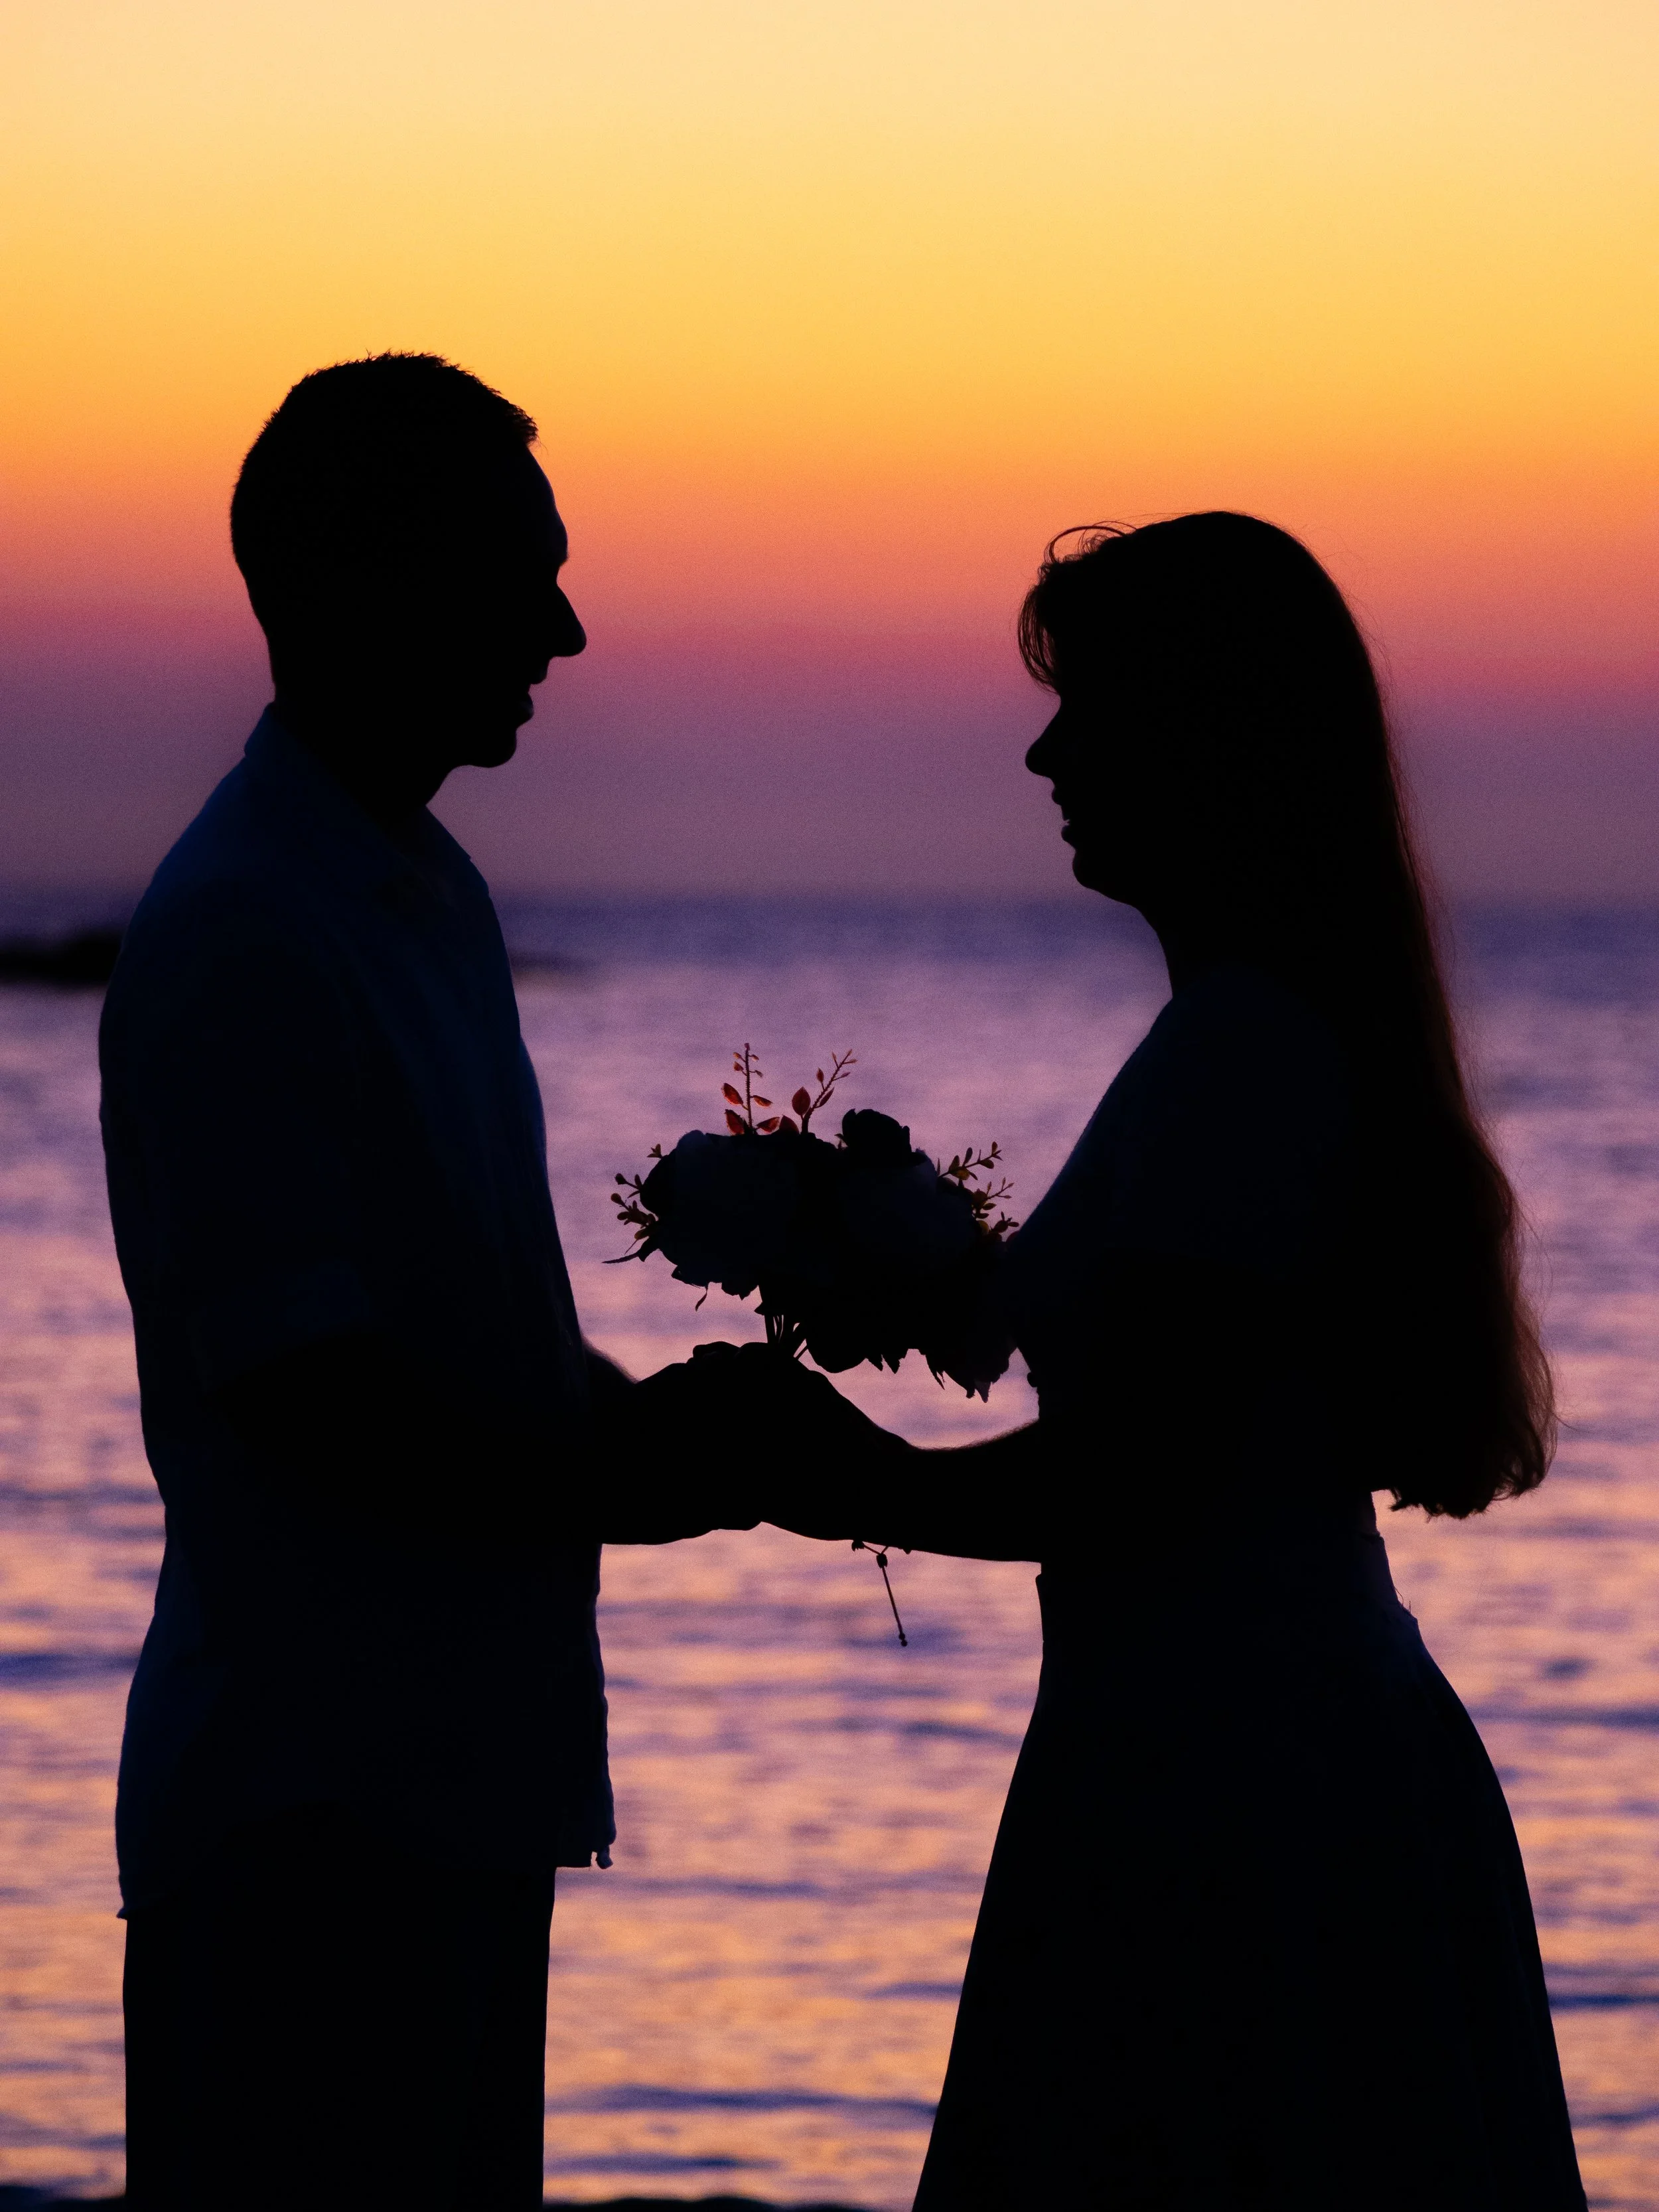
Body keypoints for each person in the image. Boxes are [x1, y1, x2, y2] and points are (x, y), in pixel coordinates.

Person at [770, 514, 1586, 2208]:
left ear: (1208, 741)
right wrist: (914, 1269)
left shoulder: (1242, 1049)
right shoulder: (1243, 1030)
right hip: (1224, 1742)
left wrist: (827, 1474)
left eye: (1094, 705)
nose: (1044, 748)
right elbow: (1170, 1369)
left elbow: (1145, 1473)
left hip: (1233, 1790)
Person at [100, 353, 758, 2211]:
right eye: (515, 570)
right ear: (361, 583)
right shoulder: (248, 929)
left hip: (454, 1780)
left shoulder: (421, 888)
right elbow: (313, 1396)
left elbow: (462, 1340)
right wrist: (646, 1475)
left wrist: (667, 1423)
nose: (563, 625)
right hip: (313, 1806)